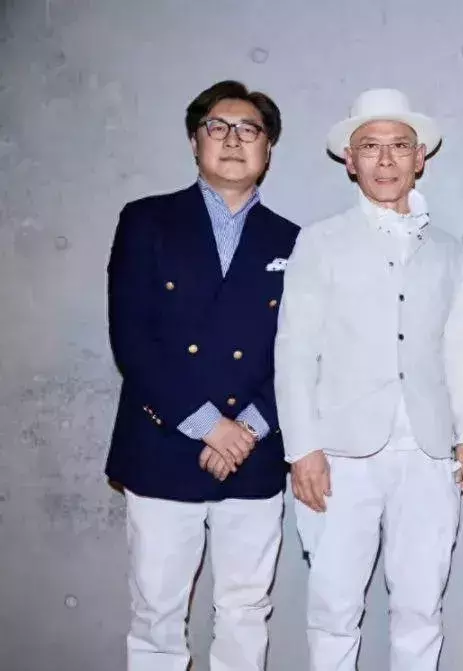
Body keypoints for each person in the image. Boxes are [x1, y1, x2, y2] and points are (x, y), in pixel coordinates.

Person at [273, 88, 463, 671]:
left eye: (399, 146)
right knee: (334, 610)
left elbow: (458, 352)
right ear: (350, 159)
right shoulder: (319, 241)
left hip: (429, 454)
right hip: (340, 455)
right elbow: (295, 351)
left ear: (420, 159)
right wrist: (302, 449)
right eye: (370, 146)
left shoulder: (448, 252)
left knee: (420, 609)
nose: (386, 159)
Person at [104, 79, 299, 671]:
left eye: (249, 130)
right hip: (163, 443)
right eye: (218, 127)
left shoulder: (294, 240)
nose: (233, 140)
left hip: (255, 451)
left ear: (268, 148)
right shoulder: (146, 220)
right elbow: (133, 339)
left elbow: (302, 352)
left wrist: (248, 429)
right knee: (157, 614)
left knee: (245, 608)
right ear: (195, 141)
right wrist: (209, 426)